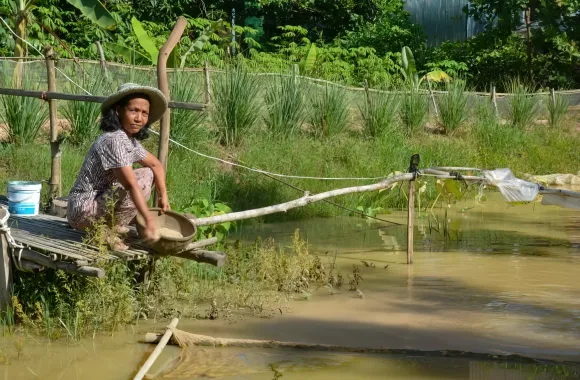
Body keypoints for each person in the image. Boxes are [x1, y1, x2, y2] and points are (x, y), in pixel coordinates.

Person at [67, 83, 170, 250]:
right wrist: (149, 220)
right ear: (118, 110)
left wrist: (163, 196)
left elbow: (155, 164)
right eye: (133, 111)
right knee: (140, 179)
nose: (139, 118)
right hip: (84, 209)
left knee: (147, 172)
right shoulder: (113, 139)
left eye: (144, 113)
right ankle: (100, 229)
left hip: (101, 203)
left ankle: (110, 226)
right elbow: (130, 184)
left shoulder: (130, 141)